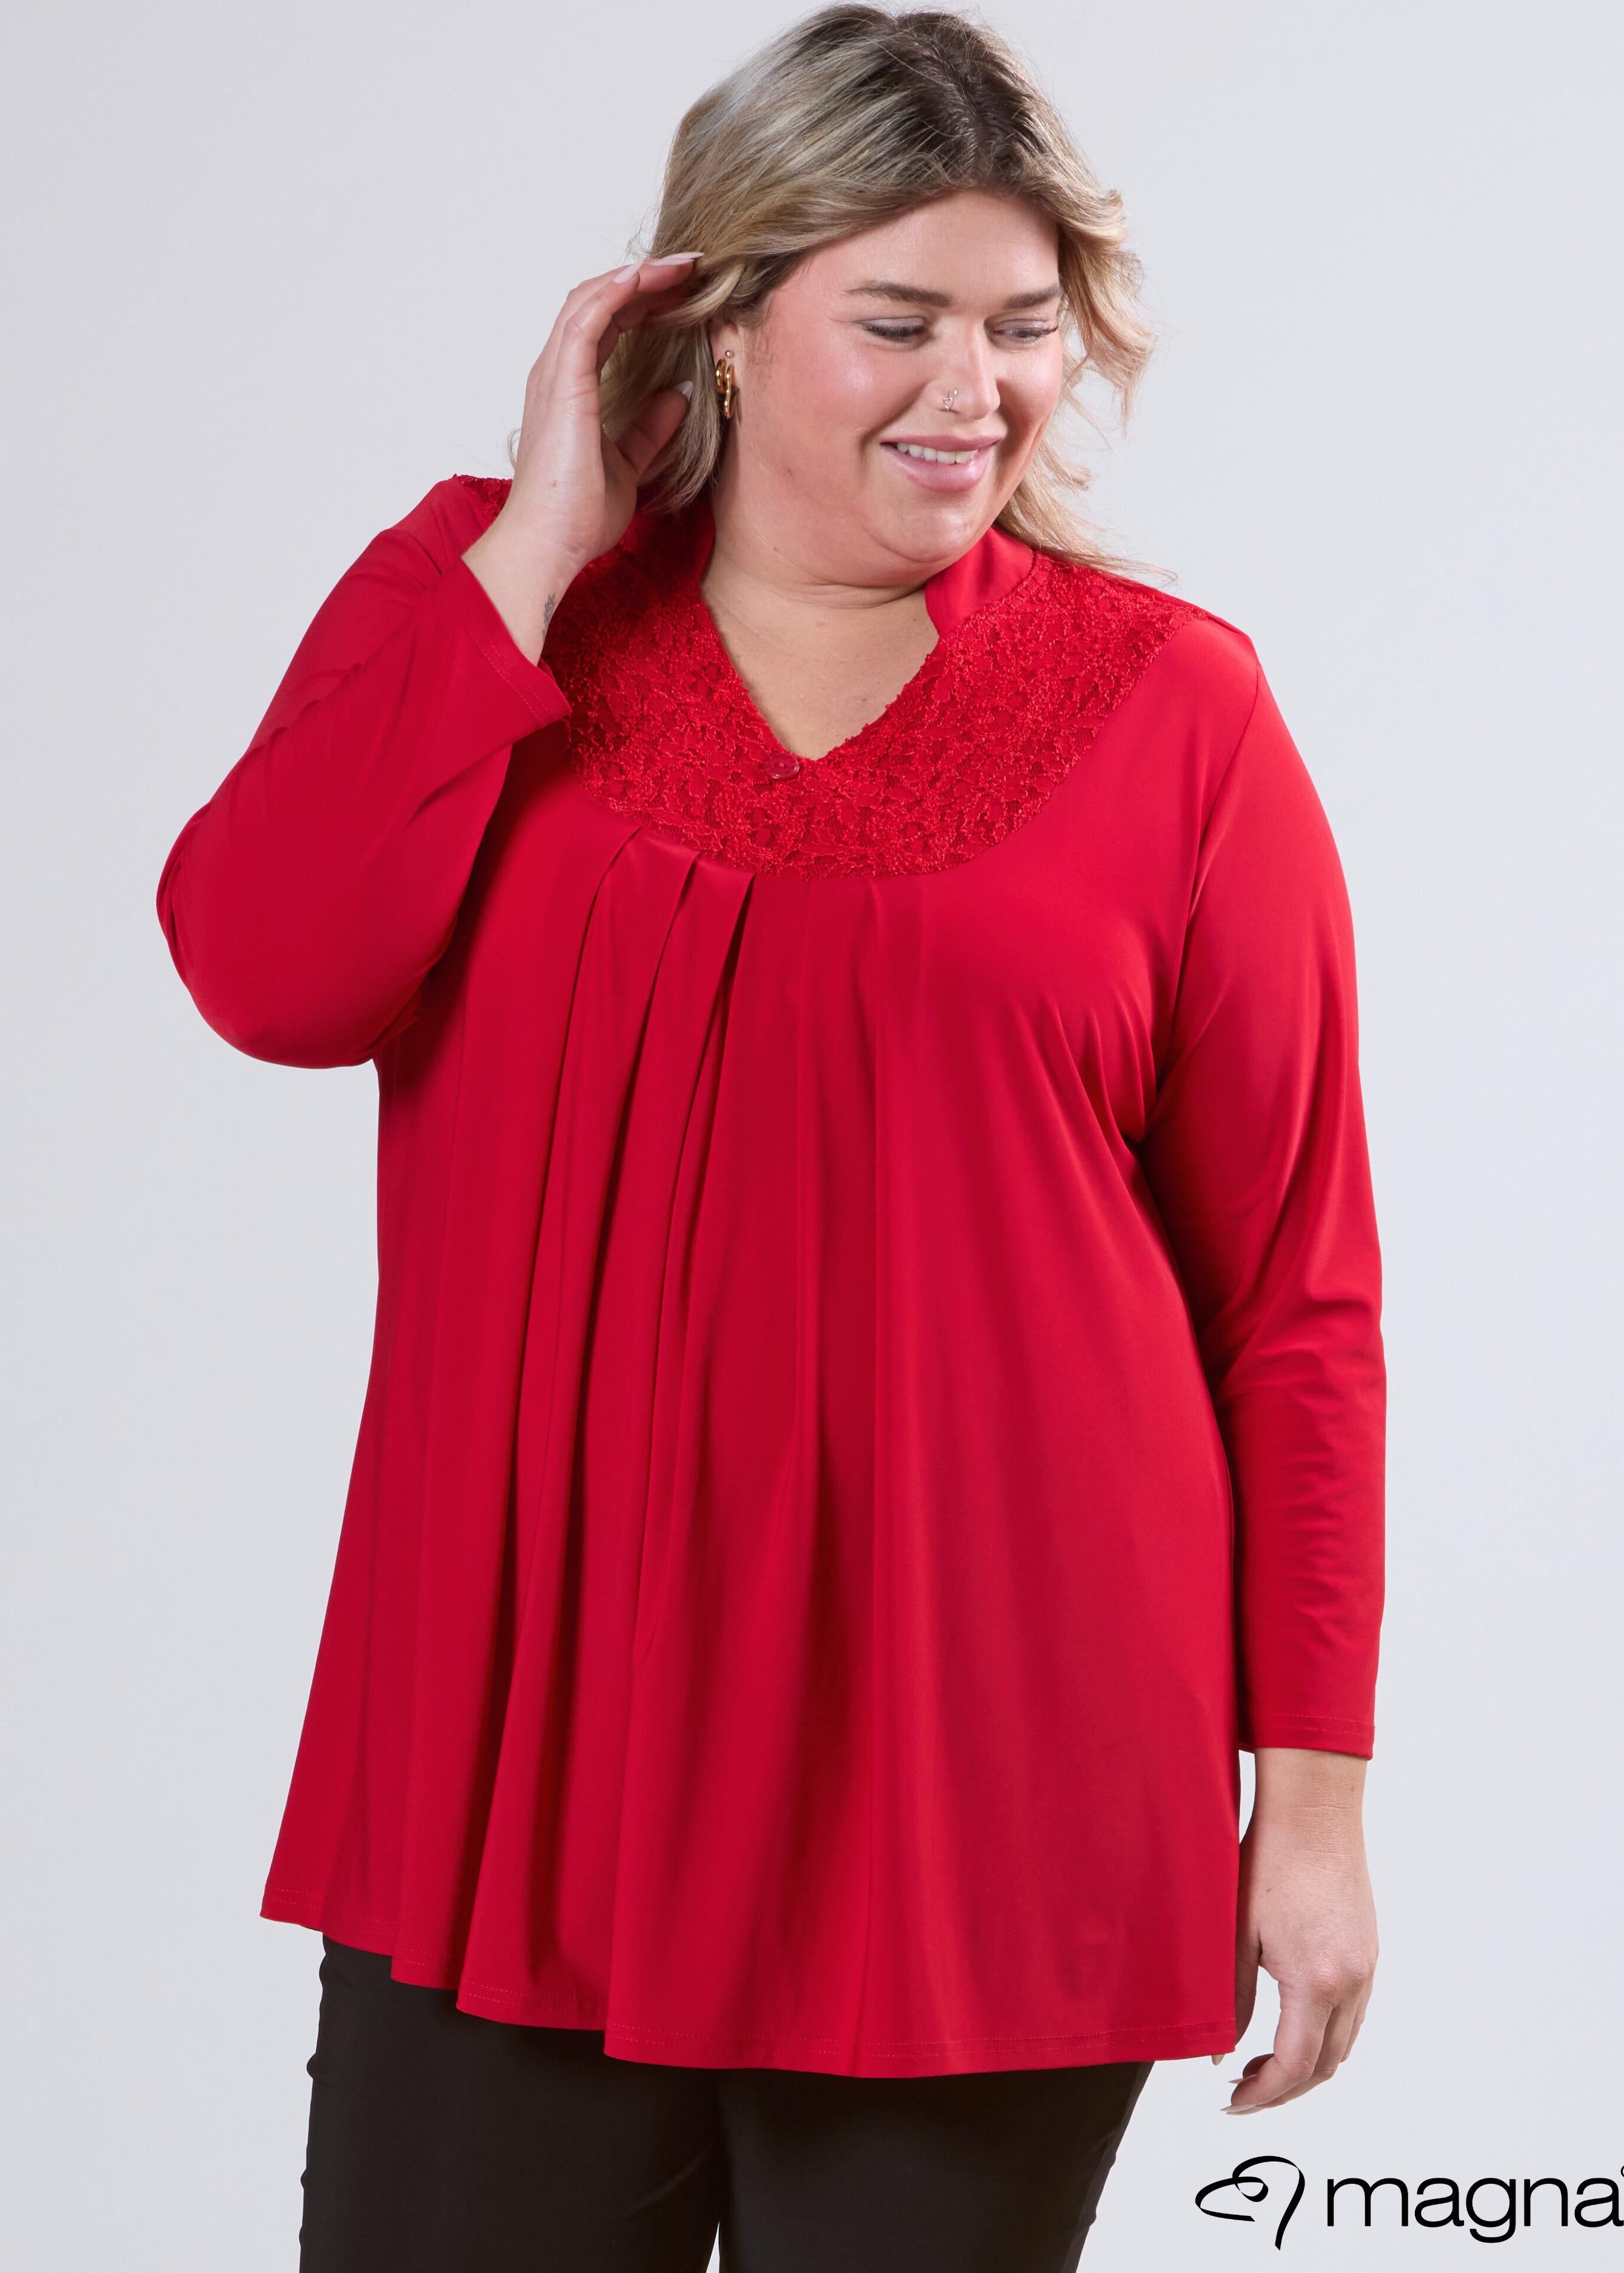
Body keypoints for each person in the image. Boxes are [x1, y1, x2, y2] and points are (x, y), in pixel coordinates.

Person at [155, 7, 1386, 2268]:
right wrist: (537, 541)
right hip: (525, 1781)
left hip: (991, 1794)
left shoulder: (1181, 713)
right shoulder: (481, 611)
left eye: (1023, 325)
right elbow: (265, 974)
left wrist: (1310, 1808)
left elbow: (1297, 1300)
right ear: (713, 320)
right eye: (896, 321)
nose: (974, 389)